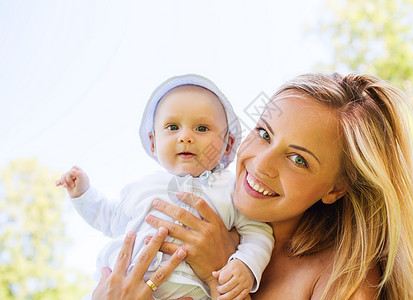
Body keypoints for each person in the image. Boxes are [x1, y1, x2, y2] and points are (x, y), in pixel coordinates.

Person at [91, 73, 413, 300]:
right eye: (263, 134)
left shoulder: (343, 278)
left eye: (298, 159)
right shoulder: (196, 218)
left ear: (335, 189)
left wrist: (218, 275)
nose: (260, 164)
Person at [56, 74, 274, 300]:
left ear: (228, 144)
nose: (185, 136)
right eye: (172, 127)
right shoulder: (142, 186)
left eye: (201, 128)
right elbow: (110, 218)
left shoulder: (231, 187)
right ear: (153, 142)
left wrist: (246, 265)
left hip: (191, 292)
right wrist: (83, 194)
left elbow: (258, 232)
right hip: (119, 286)